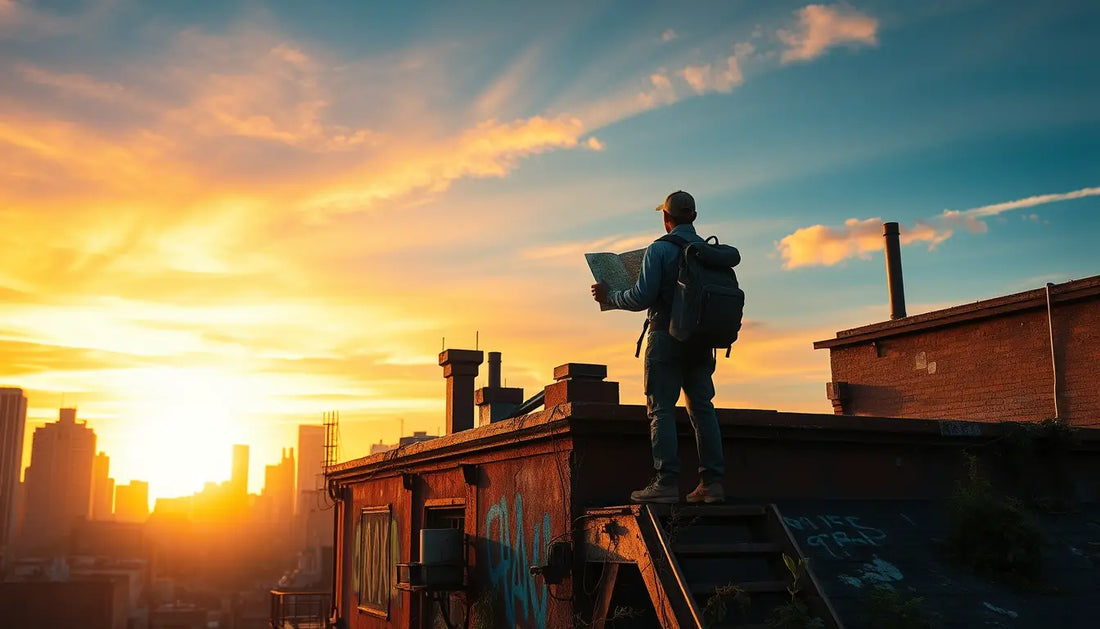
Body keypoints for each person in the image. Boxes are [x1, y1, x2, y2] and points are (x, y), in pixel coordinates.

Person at [591, 190, 727, 504]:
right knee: (703, 409)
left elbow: (641, 297)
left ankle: (666, 483)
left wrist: (609, 296)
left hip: (665, 336)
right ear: (693, 217)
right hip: (702, 339)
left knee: (661, 409)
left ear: (666, 219)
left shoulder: (659, 250)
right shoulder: (707, 252)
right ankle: (712, 484)